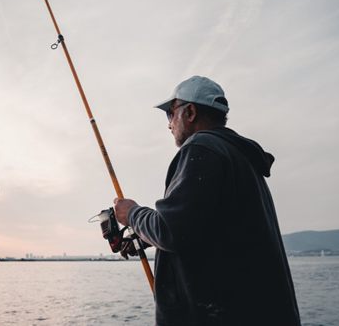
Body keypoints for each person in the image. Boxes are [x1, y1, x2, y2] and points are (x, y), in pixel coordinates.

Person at [114, 76, 301, 326]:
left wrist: (132, 214)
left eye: (170, 113)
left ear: (189, 112)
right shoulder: (238, 157)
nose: (169, 124)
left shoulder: (202, 148)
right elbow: (209, 230)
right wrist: (145, 235)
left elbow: (172, 231)